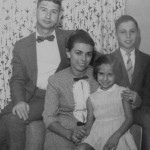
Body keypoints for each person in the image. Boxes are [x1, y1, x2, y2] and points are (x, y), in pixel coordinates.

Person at [0, 0, 73, 150]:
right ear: (36, 11)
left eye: (53, 11)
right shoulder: (21, 45)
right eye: (44, 9)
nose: (48, 15)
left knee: (14, 119)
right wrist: (19, 101)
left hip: (52, 97)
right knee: (4, 119)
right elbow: (17, 79)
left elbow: (94, 57)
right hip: (29, 95)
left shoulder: (69, 38)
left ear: (59, 16)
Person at [43, 29, 99, 150]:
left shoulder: (98, 76)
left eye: (88, 54)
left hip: (92, 130)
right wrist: (69, 134)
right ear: (68, 53)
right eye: (78, 53)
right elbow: (49, 118)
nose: (84, 59)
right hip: (62, 131)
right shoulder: (55, 81)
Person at [76, 54, 137, 150]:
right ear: (96, 74)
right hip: (97, 135)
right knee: (81, 148)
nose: (105, 79)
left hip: (118, 133)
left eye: (110, 74)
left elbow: (129, 119)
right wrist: (82, 135)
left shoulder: (122, 92)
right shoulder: (92, 98)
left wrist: (116, 136)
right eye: (101, 74)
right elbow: (89, 124)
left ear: (116, 75)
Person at [111, 15, 150, 150]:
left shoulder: (147, 60)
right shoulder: (108, 60)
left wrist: (139, 100)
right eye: (123, 32)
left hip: (138, 111)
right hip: (114, 109)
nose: (128, 36)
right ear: (116, 34)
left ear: (138, 33)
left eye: (132, 31)